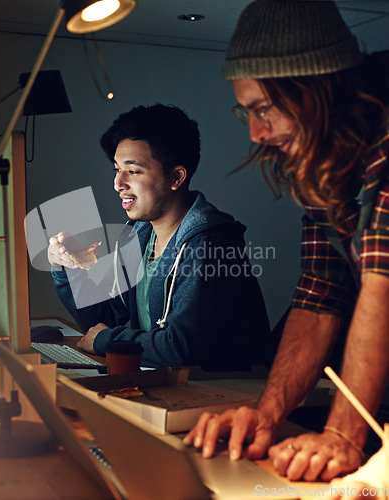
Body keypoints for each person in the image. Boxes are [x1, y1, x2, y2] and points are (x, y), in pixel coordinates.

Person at [184, 0, 389, 482]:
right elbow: (320, 293)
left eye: (266, 109)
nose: (257, 133)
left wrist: (341, 435)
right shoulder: (327, 156)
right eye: (247, 112)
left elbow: (382, 287)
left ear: (318, 87)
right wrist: (267, 415)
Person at [47, 104, 270, 371]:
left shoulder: (209, 246)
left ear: (176, 177)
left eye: (133, 170)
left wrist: (106, 341)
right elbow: (102, 321)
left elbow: (180, 348)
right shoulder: (139, 237)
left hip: (228, 395)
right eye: (117, 169)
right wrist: (67, 268)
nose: (118, 183)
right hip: (174, 387)